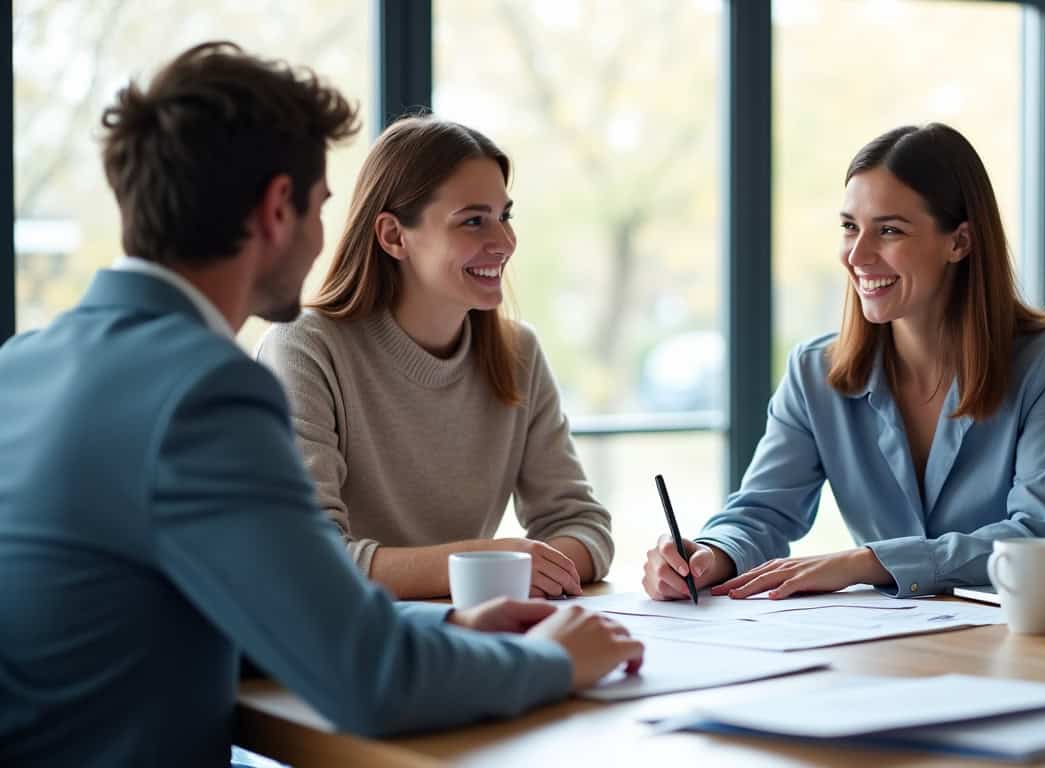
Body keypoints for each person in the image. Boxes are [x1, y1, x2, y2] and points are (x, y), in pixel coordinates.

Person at [0, 42, 641, 767]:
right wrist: (558, 662)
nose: (319, 241)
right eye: (321, 208)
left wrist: (454, 625)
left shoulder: (19, 366)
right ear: (279, 208)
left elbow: (198, 622)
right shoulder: (203, 391)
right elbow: (369, 680)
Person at [642, 123, 1045, 601]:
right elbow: (762, 512)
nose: (857, 255)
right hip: (905, 637)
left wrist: (869, 561)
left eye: (889, 230)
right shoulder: (814, 373)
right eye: (849, 227)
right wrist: (710, 555)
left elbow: (1039, 534)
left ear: (959, 242)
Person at [256, 117, 612, 600]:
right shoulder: (304, 347)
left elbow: (581, 523)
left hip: (475, 634)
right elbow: (306, 554)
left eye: (504, 216)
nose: (504, 242)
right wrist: (488, 566)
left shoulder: (518, 353)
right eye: (473, 220)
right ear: (393, 236)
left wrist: (526, 566)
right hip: (351, 647)